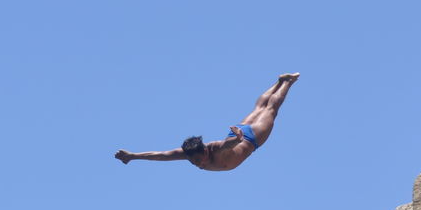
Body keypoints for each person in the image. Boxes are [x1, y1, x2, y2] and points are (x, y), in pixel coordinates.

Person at [115, 73, 299, 171]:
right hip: (238, 133)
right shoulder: (188, 154)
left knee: (270, 110)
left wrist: (236, 139)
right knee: (258, 108)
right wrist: (132, 156)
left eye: (197, 159)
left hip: (250, 138)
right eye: (192, 161)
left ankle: (288, 83)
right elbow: (161, 155)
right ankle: (278, 81)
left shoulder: (213, 148)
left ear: (204, 150)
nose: (195, 163)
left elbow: (226, 144)